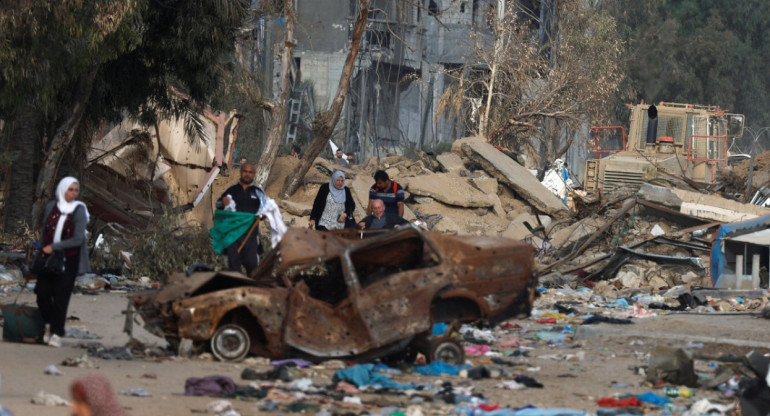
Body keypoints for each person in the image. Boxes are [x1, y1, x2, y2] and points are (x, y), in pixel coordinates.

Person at [35, 176, 90, 348]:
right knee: (42, 294)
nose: (73, 193)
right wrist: (42, 251)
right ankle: (48, 324)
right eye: (70, 189)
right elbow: (45, 231)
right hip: (48, 258)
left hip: (68, 259)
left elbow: (77, 239)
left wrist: (55, 247)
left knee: (61, 297)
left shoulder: (79, 210)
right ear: (62, 189)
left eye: (76, 190)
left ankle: (57, 333)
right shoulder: (52, 206)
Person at [215, 162, 264, 274]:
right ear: (241, 172)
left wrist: (263, 215)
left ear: (254, 174)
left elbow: (264, 210)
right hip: (233, 238)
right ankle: (236, 290)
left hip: (251, 237)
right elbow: (218, 205)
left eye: (250, 172)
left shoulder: (258, 192)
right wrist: (223, 202)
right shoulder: (232, 190)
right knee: (234, 270)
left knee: (253, 269)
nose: (247, 174)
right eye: (245, 171)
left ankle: (251, 290)